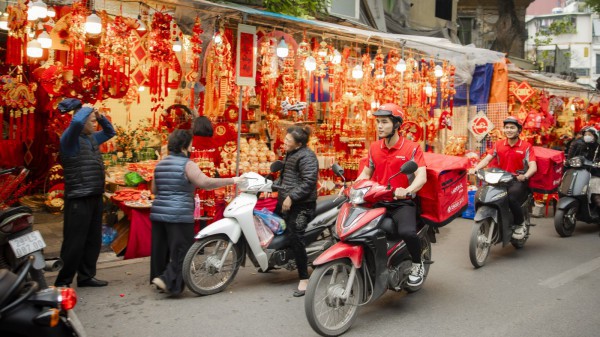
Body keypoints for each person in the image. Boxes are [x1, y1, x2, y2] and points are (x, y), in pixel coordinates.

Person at [150, 129, 244, 296]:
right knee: (183, 250)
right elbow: (205, 183)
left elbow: (154, 190)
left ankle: (159, 279)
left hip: (158, 213)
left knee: (160, 249)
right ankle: (168, 281)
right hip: (179, 213)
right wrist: (232, 180)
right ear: (185, 145)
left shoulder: (161, 163)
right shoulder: (187, 164)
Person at [356, 103, 428, 287]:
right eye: (378, 122)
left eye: (384, 122)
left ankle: (417, 263)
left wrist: (408, 191)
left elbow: (421, 176)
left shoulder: (412, 148)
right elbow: (366, 172)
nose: (379, 126)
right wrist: (354, 186)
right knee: (357, 229)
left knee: (407, 232)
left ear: (396, 125)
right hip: (377, 199)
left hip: (401, 202)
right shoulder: (374, 147)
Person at [54, 98, 116, 288]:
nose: (94, 124)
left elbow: (110, 131)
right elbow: (78, 122)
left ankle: (86, 276)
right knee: (74, 243)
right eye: (91, 121)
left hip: (95, 196)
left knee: (92, 240)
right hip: (78, 198)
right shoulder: (69, 139)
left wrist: (99, 115)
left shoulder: (92, 138)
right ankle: (63, 282)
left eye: (94, 121)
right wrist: (86, 108)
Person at [468, 116, 538, 240]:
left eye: (512, 127)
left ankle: (519, 223)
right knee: (484, 194)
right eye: (506, 128)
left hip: (517, 180)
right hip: (499, 178)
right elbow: (487, 159)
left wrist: (525, 176)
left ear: (519, 130)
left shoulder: (526, 146)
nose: (509, 130)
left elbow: (533, 167)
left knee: (511, 197)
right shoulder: (498, 144)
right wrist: (475, 168)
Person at [274, 125, 319, 297]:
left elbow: (308, 182)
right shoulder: (291, 153)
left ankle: (304, 278)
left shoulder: (307, 157)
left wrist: (291, 197)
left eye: (288, 141)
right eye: (285, 139)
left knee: (295, 235)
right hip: (287, 202)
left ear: (299, 144)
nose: (284, 142)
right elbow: (286, 175)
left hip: (303, 205)